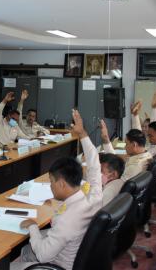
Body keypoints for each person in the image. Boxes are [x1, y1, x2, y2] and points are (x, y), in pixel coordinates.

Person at [11, 110, 102, 270]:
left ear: (61, 184)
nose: (50, 187)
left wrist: (33, 226)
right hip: (74, 254)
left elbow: (43, 255)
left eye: (51, 182)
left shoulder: (67, 219)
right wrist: (83, 134)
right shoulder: (93, 198)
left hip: (57, 265)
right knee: (24, 251)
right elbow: (94, 165)